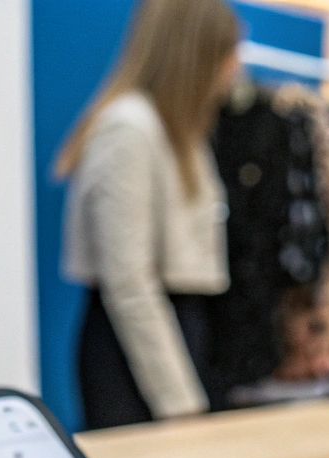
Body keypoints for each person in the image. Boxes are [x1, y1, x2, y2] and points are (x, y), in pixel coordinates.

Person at [57, 0, 241, 429]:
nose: (235, 67)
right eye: (226, 53)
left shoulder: (175, 130)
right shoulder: (131, 129)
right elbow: (128, 282)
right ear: (196, 55)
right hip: (136, 345)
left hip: (171, 330)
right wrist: (178, 401)